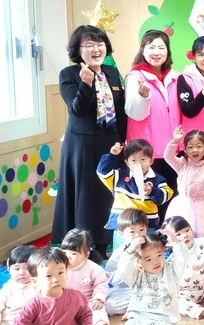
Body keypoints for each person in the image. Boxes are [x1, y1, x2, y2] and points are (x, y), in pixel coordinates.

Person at [53, 25, 127, 255]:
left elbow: (120, 109)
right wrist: (85, 84)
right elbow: (76, 109)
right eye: (89, 45)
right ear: (78, 50)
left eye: (100, 44)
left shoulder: (111, 72)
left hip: (110, 140)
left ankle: (104, 243)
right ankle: (82, 245)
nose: (96, 49)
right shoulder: (68, 74)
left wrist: (124, 139)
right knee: (86, 194)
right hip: (82, 144)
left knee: (107, 192)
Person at [91, 228, 188, 325]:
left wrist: (176, 241)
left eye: (159, 255)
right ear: (139, 262)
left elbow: (182, 258)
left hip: (162, 321)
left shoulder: (171, 271)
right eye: (148, 259)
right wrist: (130, 251)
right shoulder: (136, 275)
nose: (156, 262)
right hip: (137, 320)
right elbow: (123, 269)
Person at [125, 29, 180, 220]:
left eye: (161, 47)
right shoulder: (135, 77)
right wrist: (142, 97)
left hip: (172, 150)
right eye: (151, 47)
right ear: (143, 50)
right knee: (148, 203)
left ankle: (170, 234)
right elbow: (135, 113)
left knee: (171, 197)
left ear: (168, 51)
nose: (156, 52)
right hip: (146, 153)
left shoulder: (175, 77)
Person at [97, 139, 173, 249]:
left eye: (143, 159)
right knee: (122, 253)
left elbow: (166, 195)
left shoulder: (157, 179)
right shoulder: (119, 176)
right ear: (127, 162)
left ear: (151, 161)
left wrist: (152, 191)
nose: (138, 164)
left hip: (147, 224)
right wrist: (112, 155)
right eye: (133, 160)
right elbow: (102, 172)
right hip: (123, 225)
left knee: (147, 251)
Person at [161, 216, 204, 320]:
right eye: (178, 234)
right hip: (188, 292)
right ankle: (201, 311)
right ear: (169, 241)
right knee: (173, 300)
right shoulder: (172, 255)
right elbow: (171, 278)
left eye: (187, 230)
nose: (185, 235)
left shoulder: (202, 243)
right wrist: (184, 279)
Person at [59, 229, 111, 325]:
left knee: (97, 310)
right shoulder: (58, 266)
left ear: (86, 255)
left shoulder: (93, 268)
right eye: (64, 252)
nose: (68, 257)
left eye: (74, 253)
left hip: (86, 301)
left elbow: (101, 284)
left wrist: (98, 298)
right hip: (64, 301)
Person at [104, 208, 148, 317]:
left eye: (141, 230)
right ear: (121, 234)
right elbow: (111, 278)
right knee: (109, 305)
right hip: (125, 290)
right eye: (132, 232)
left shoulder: (150, 246)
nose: (138, 235)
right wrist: (129, 254)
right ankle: (141, 306)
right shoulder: (119, 252)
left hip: (148, 286)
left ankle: (140, 306)